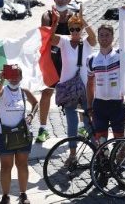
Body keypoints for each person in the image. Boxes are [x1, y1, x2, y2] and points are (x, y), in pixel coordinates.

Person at [48, 11, 97, 164]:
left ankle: (98, 152)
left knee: (90, 122)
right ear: (69, 30)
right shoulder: (63, 41)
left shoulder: (87, 43)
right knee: (72, 123)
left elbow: (95, 39)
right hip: (68, 89)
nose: (75, 32)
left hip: (86, 88)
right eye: (72, 29)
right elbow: (50, 39)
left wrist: (85, 20)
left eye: (78, 28)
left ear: (81, 29)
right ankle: (72, 154)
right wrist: (55, 24)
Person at [0, 66, 38, 204]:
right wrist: (1, 81)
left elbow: (36, 103)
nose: (14, 78)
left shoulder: (24, 92)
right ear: (6, 76)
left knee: (22, 164)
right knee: (6, 166)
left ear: (21, 77)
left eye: (17, 74)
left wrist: (31, 115)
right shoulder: (3, 90)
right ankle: (5, 196)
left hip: (22, 134)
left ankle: (23, 194)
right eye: (11, 75)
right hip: (4, 134)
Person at [37, 0, 76, 143]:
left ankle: (79, 127)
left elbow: (76, 36)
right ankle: (42, 128)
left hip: (68, 59)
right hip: (52, 59)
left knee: (76, 93)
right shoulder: (47, 15)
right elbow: (46, 36)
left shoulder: (74, 17)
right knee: (46, 93)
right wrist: (56, 21)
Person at [86, 24, 124, 144]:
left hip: (117, 104)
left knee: (120, 141)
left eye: (107, 35)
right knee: (101, 143)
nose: (104, 38)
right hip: (99, 105)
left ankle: (119, 162)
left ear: (113, 37)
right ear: (97, 37)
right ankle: (102, 162)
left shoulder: (120, 55)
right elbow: (90, 83)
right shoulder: (91, 59)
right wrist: (89, 105)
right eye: (101, 35)